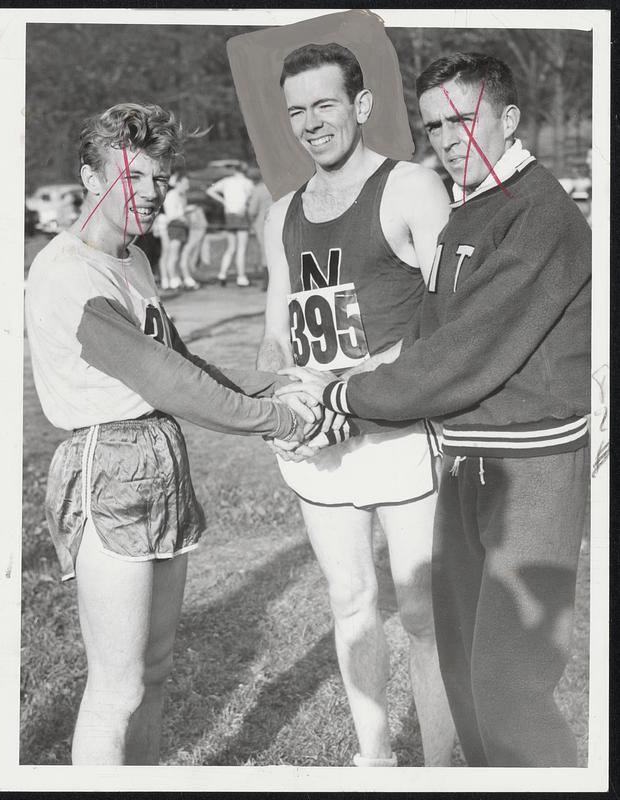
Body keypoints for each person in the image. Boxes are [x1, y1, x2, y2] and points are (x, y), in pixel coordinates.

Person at [279, 53, 591, 767]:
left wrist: (344, 397)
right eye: (434, 125)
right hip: (467, 460)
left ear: (507, 119)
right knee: (460, 663)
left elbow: (464, 356)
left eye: (465, 119)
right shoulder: (473, 204)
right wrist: (345, 389)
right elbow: (429, 328)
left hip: (531, 468)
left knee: (510, 685)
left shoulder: (540, 215)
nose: (450, 138)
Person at [25, 102, 316, 766]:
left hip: (157, 459)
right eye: (132, 178)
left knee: (154, 672)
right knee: (117, 689)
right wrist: (277, 419)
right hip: (109, 466)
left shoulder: (133, 261)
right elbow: (169, 382)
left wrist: (264, 389)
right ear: (90, 178)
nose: (151, 194)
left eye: (158, 180)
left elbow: (183, 360)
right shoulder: (68, 270)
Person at [257, 43, 455, 767]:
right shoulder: (279, 215)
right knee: (350, 602)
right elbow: (275, 334)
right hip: (323, 444)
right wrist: (286, 392)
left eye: (325, 104)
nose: (311, 123)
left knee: (425, 615)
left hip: (399, 433)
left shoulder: (411, 187)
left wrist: (361, 379)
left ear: (361, 106)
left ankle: (441, 768)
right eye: (298, 110)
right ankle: (375, 761)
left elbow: (451, 318)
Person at [206, 165, 254, 287]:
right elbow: (249, 199)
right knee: (241, 248)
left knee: (231, 247)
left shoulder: (226, 181)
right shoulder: (248, 182)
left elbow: (210, 191)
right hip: (241, 214)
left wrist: (224, 201)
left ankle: (222, 274)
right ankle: (241, 277)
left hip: (229, 214)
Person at [162, 172, 199, 290]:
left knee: (179, 254)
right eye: (185, 183)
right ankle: (173, 280)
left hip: (182, 227)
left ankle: (178, 278)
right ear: (178, 183)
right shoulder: (171, 195)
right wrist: (183, 217)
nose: (187, 186)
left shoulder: (182, 196)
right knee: (173, 254)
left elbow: (181, 211)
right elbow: (171, 215)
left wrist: (188, 210)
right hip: (175, 227)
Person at [246, 169, 273, 290]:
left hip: (263, 222)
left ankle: (267, 282)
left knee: (265, 251)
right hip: (281, 219)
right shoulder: (280, 186)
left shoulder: (258, 190)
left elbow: (252, 210)